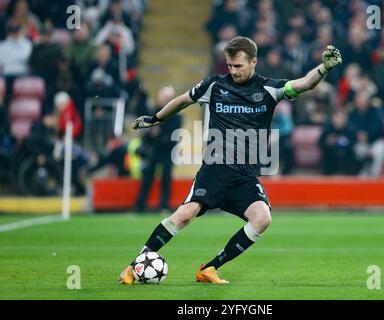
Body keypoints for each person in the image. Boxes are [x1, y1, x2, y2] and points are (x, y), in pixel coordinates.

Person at [119, 37, 342, 284]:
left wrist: (323, 68)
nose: (232, 71)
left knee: (262, 218)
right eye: (229, 66)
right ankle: (133, 266)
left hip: (244, 176)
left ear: (253, 62)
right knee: (184, 215)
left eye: (238, 66)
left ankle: (210, 268)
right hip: (214, 170)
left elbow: (303, 85)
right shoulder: (214, 85)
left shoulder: (269, 89)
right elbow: (183, 100)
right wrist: (155, 118)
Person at [133, 85, 182, 212]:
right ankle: (139, 206)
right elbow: (148, 130)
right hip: (154, 150)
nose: (165, 100)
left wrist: (157, 133)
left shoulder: (176, 115)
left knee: (166, 179)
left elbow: (171, 135)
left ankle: (163, 206)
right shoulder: (153, 111)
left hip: (167, 151)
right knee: (147, 179)